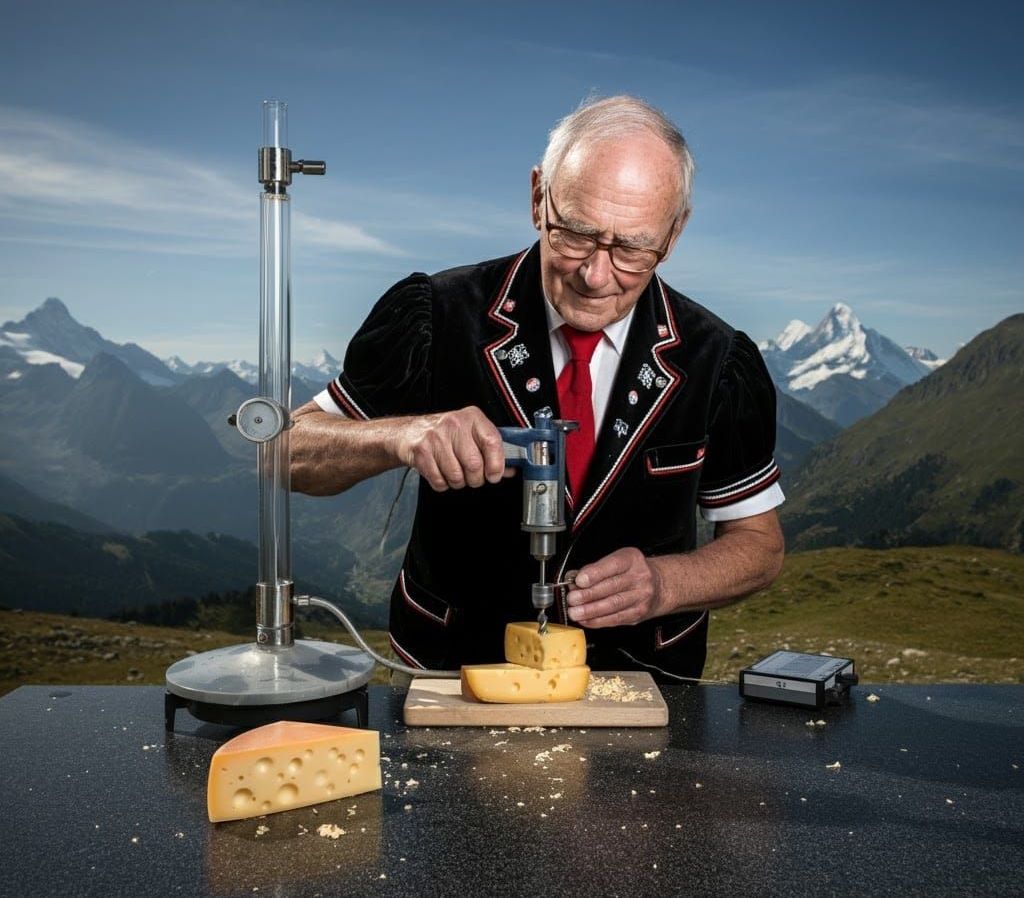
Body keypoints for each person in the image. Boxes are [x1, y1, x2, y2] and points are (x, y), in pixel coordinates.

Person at [290, 95, 784, 681]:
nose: (596, 276)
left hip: (643, 683)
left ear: (674, 234)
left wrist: (667, 584)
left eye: (630, 248)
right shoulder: (435, 316)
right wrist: (400, 435)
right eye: (574, 233)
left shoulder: (718, 360)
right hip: (451, 673)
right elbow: (286, 451)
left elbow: (760, 544)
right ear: (536, 197)